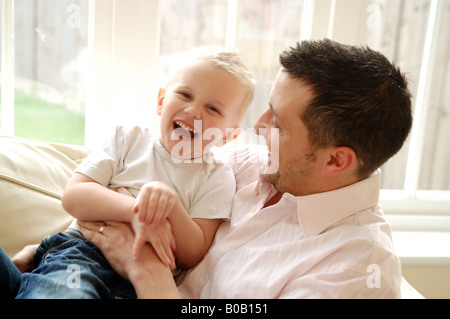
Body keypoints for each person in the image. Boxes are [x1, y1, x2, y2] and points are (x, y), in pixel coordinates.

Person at [79, 39, 413, 298]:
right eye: (268, 109)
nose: (258, 125)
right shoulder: (244, 167)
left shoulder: (355, 270)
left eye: (278, 124)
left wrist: (144, 269)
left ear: (335, 161)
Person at [12, 46, 255, 299]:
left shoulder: (217, 177)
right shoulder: (128, 139)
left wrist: (171, 206)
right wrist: (135, 211)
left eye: (213, 109)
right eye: (184, 94)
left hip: (141, 284)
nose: (193, 110)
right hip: (83, 252)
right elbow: (74, 196)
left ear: (228, 135)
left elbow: (193, 252)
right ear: (161, 102)